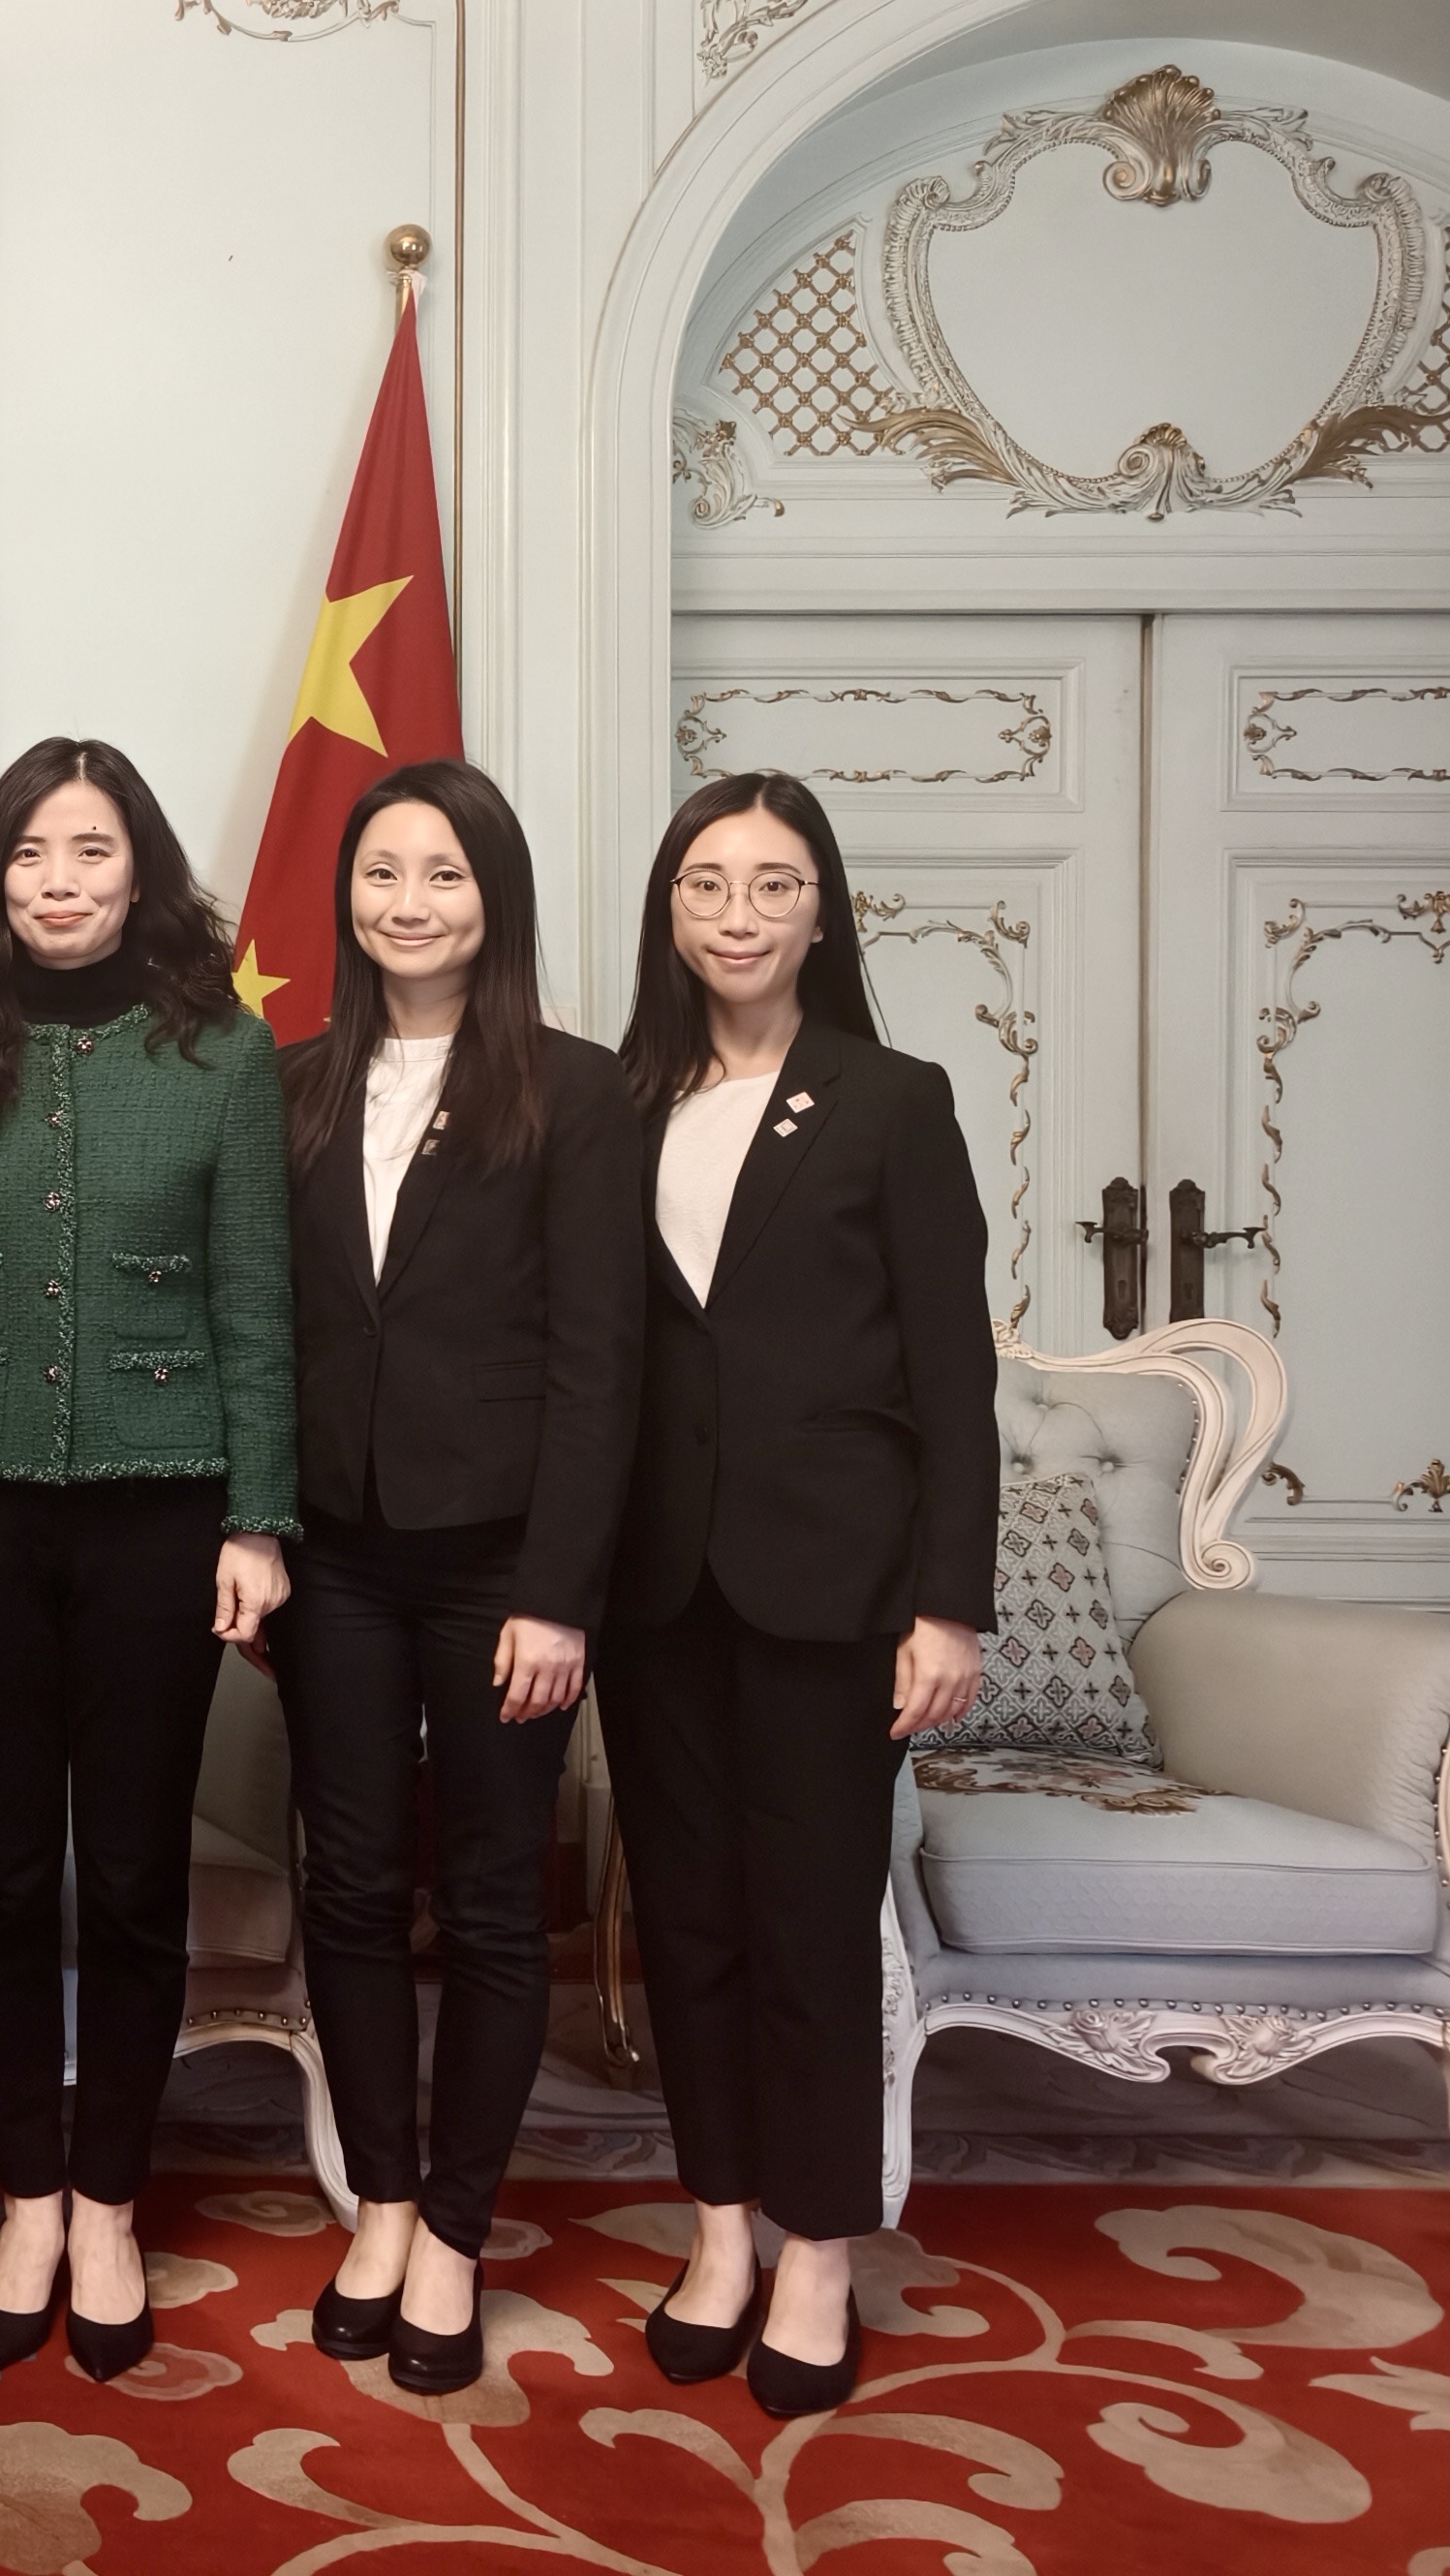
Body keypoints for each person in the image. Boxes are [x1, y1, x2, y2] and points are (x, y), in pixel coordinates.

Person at [0, 734, 296, 2380]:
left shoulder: (223, 1052)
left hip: (164, 1505)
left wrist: (259, 1518)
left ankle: (111, 2199)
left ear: (142, 873)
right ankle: (28, 2196)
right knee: (0, 1873)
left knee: (129, 1875)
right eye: (31, 854)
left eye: (92, 851)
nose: (60, 882)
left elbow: (254, 1298)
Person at [602, 770, 992, 2419]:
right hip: (653, 1587)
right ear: (669, 912)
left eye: (773, 884)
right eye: (707, 884)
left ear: (823, 909)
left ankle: (819, 2250)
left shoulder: (892, 1100)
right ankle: (720, 2232)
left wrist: (949, 1605)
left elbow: (955, 1377)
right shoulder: (620, 1097)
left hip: (834, 1588)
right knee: (687, 1921)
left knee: (811, 1930)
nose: (738, 916)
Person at [270, 760, 642, 2395]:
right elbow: (265, 1327)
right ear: (346, 895)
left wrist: (562, 1592)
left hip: (504, 1569)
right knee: (350, 1890)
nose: (407, 902)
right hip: (333, 1559)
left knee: (494, 1904)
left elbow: (602, 1366)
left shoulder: (576, 1090)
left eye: (442, 873)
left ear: (496, 897)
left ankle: (458, 2236)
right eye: (381, 873)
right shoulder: (290, 1084)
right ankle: (383, 2203)